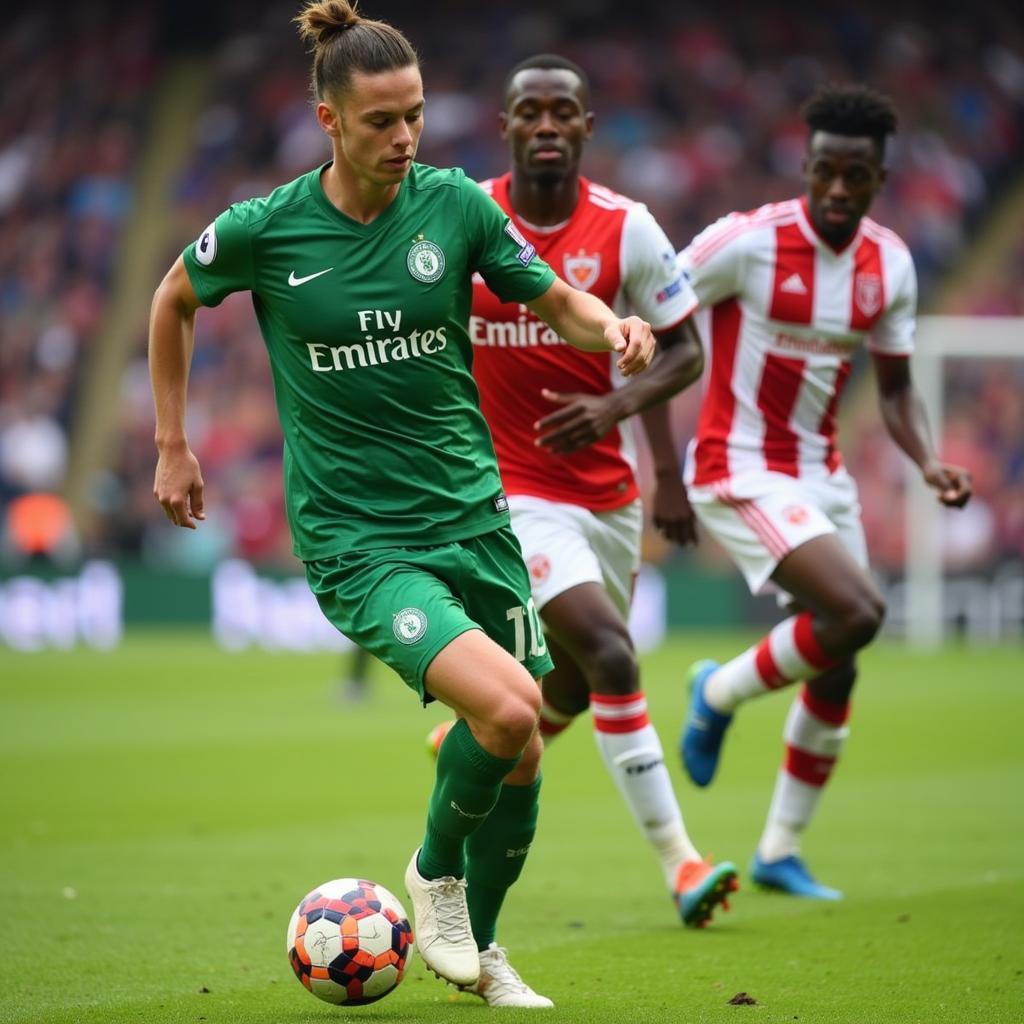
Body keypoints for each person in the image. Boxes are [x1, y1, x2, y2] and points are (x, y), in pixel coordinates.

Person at [149, 2, 655, 1009]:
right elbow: (172, 299)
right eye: (380, 120)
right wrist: (173, 440)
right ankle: (431, 872)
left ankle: (488, 954)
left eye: (414, 115)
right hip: (360, 542)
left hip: (474, 519)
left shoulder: (456, 208)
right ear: (329, 119)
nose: (404, 137)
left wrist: (614, 328)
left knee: (519, 761)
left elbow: (553, 296)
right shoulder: (266, 228)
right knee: (511, 709)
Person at [431, 54, 738, 928]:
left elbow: (682, 351)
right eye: (530, 111)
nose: (547, 126)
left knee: (568, 679)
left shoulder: (628, 228)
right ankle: (682, 864)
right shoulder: (468, 217)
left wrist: (652, 453)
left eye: (564, 112)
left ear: (588, 127)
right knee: (611, 654)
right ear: (506, 126)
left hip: (608, 496)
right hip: (505, 493)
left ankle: (467, 747)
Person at [677, 83, 972, 899]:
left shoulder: (891, 265)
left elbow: (900, 387)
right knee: (858, 614)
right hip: (736, 464)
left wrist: (926, 459)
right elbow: (653, 301)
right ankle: (718, 691)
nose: (839, 189)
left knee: (839, 664)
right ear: (804, 166)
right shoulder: (746, 242)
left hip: (819, 473)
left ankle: (779, 850)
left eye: (857, 176)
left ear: (880, 178)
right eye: (826, 172)